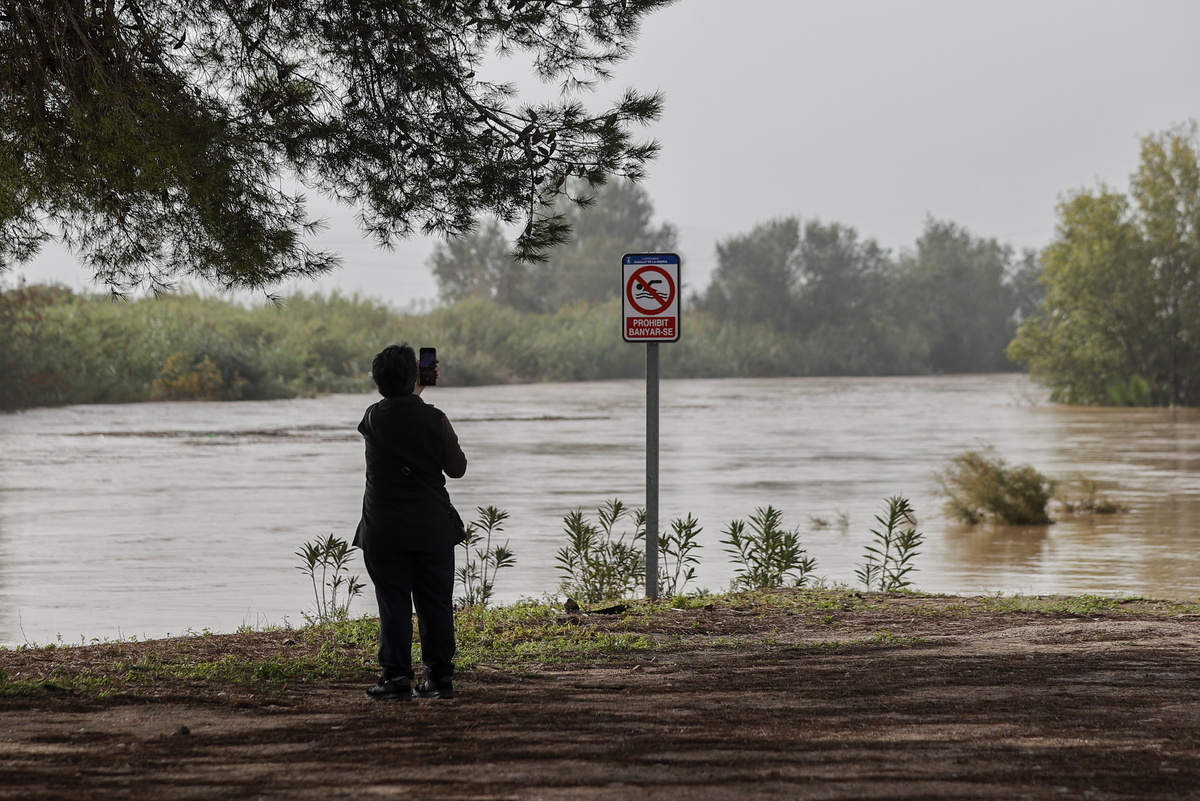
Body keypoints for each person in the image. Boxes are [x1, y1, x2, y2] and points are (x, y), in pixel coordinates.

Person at [354, 344, 467, 701]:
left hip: (383, 531)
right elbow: (457, 469)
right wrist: (418, 389)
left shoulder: (372, 417)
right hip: (432, 528)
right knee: (435, 603)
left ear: (377, 382)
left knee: (394, 604)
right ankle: (439, 677)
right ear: (416, 376)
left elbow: (397, 406)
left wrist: (411, 388)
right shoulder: (435, 419)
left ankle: (396, 677)